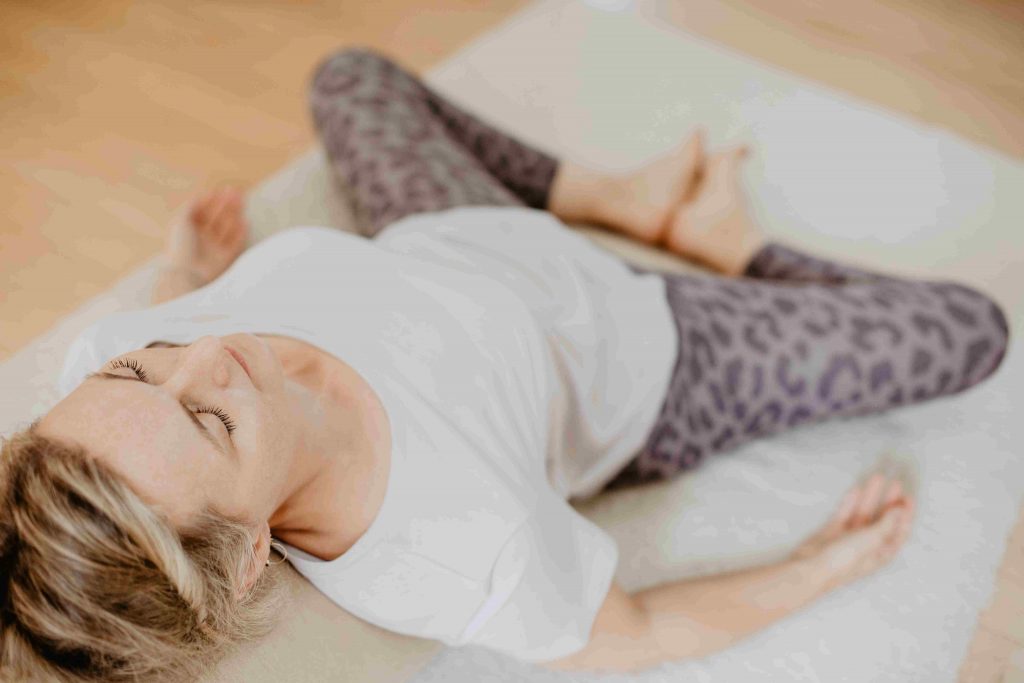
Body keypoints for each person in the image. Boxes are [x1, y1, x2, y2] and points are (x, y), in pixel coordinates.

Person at [0, 47, 1009, 682]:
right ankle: (726, 244)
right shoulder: (461, 545)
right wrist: (821, 565)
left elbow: (166, 340)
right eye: (211, 418)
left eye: (138, 370)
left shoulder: (114, 359)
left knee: (347, 77)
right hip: (650, 350)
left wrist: (183, 273)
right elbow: (632, 632)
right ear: (254, 548)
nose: (208, 349)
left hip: (448, 236)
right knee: (969, 334)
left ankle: (617, 200)